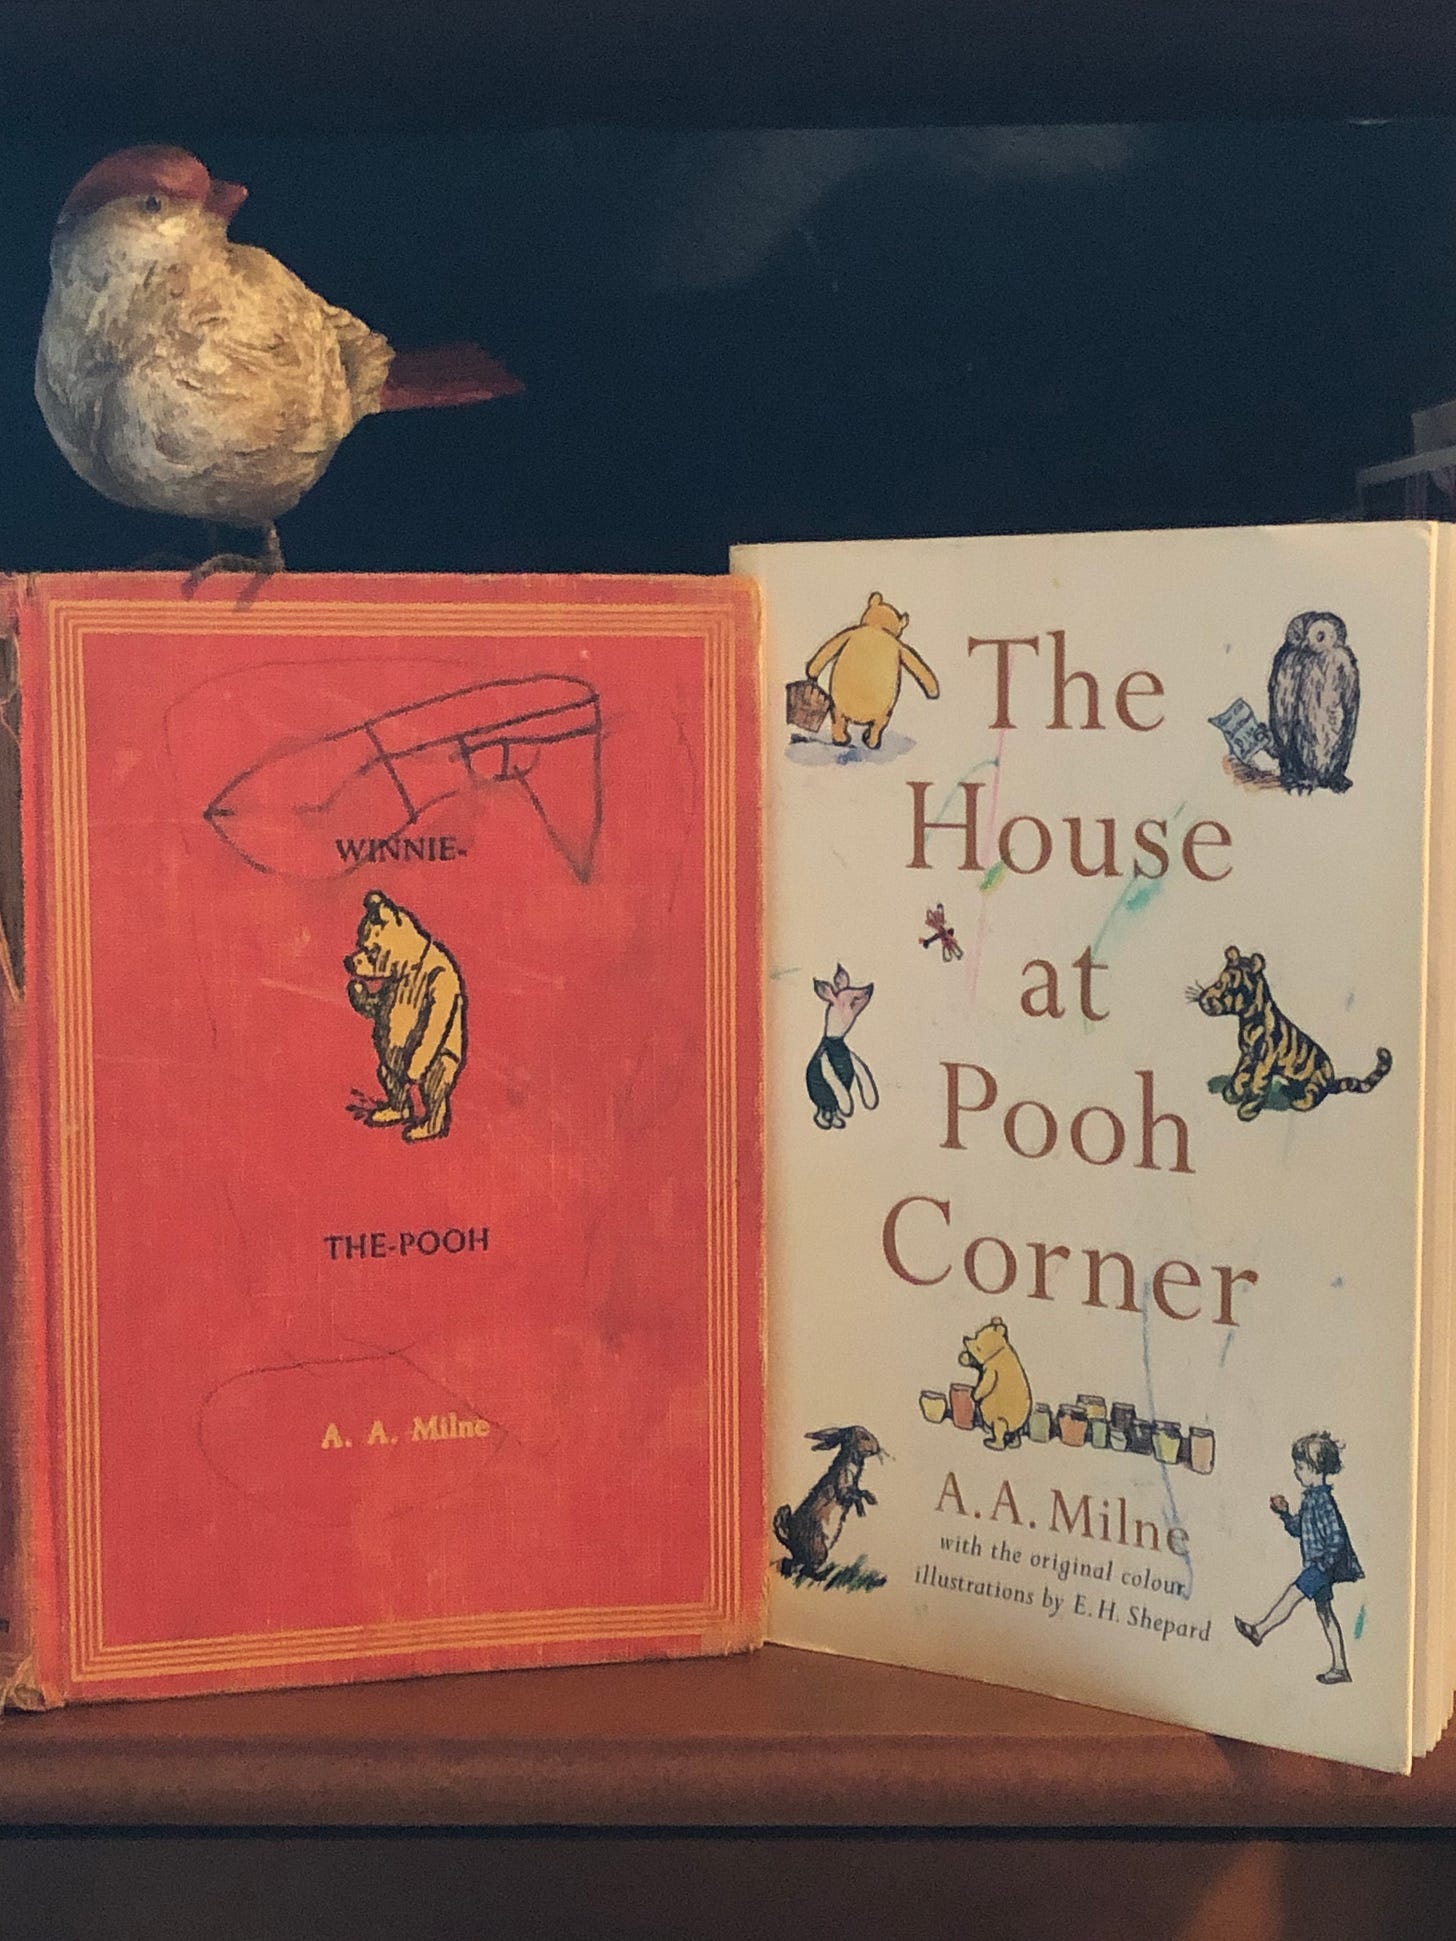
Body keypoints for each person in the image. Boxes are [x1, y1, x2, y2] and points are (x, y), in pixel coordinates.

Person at [1234, 1430, 1363, 1684]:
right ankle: (1340, 1667)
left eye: (1301, 1467)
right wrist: (1284, 1513)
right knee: (1325, 1613)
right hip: (1319, 1566)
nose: (1296, 1472)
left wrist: (1323, 1566)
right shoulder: (1311, 1499)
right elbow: (1299, 1530)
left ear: (1316, 1469)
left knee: (1293, 1594)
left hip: (1320, 1567)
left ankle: (1259, 1631)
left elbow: (1336, 1538)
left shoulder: (1323, 1501)